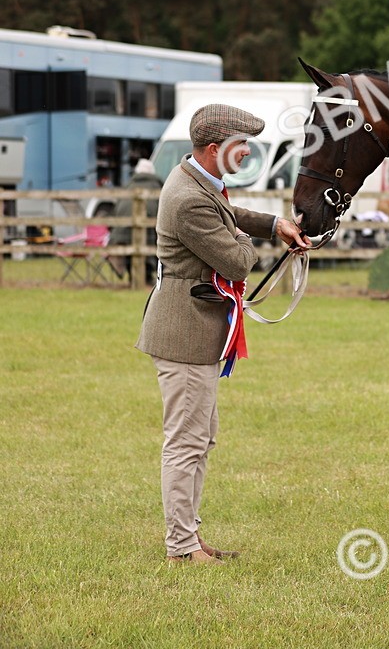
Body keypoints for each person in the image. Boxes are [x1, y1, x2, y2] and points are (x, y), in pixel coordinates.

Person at [135, 104, 311, 565]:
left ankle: (189, 540)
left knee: (198, 439)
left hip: (193, 329)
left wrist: (274, 224)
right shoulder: (188, 198)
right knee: (186, 443)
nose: (247, 152)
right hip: (185, 333)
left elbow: (229, 213)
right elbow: (236, 260)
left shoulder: (195, 180)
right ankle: (180, 548)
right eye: (240, 146)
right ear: (214, 150)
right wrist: (248, 241)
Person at [111, 158, 162, 284]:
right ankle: (146, 277)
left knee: (134, 244)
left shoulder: (128, 187)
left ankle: (133, 278)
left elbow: (114, 213)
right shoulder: (158, 188)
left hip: (120, 236)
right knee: (151, 240)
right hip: (150, 237)